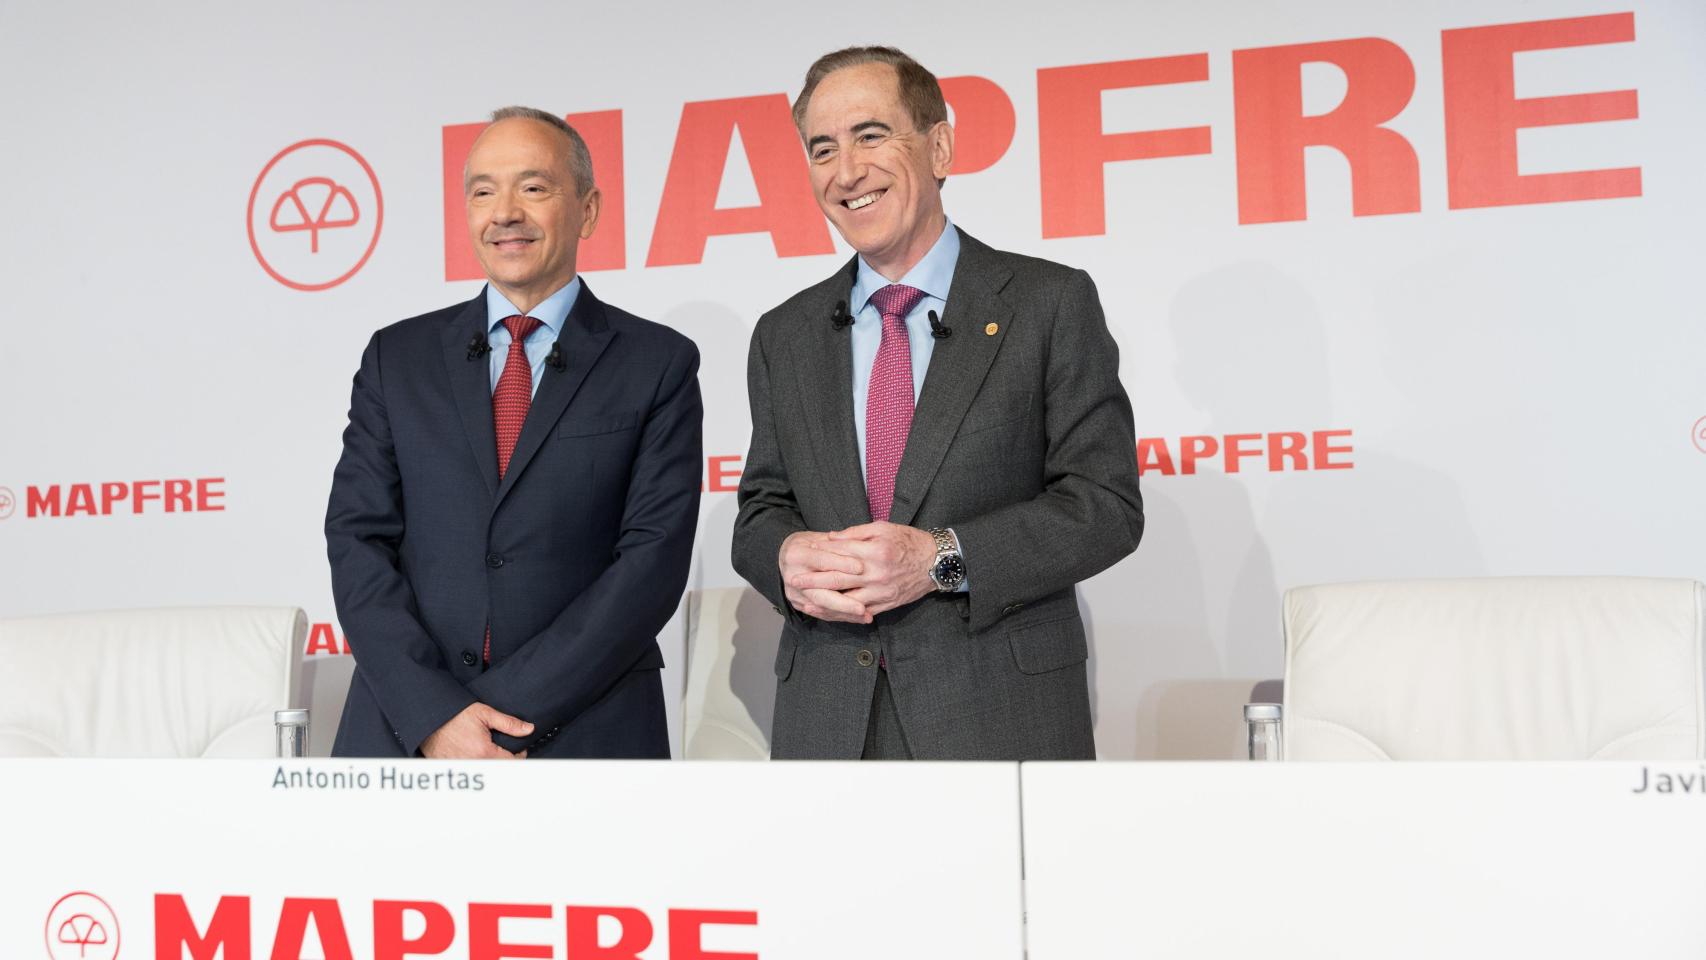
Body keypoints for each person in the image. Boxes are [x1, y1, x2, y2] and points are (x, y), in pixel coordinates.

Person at [732, 47, 1144, 760]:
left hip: (998, 715)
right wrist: (786, 555)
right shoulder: (784, 334)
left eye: (870, 136)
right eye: (822, 149)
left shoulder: (1047, 303)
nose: (846, 171)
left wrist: (938, 560)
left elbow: (1105, 506)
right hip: (828, 719)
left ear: (940, 148)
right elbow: (761, 510)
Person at [326, 107, 702, 759]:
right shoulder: (397, 357)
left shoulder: (656, 362)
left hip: (586, 729)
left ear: (587, 210)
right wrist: (436, 714)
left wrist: (497, 719)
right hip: (407, 731)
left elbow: (651, 562)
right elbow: (358, 539)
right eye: (483, 192)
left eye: (533, 187)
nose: (505, 212)